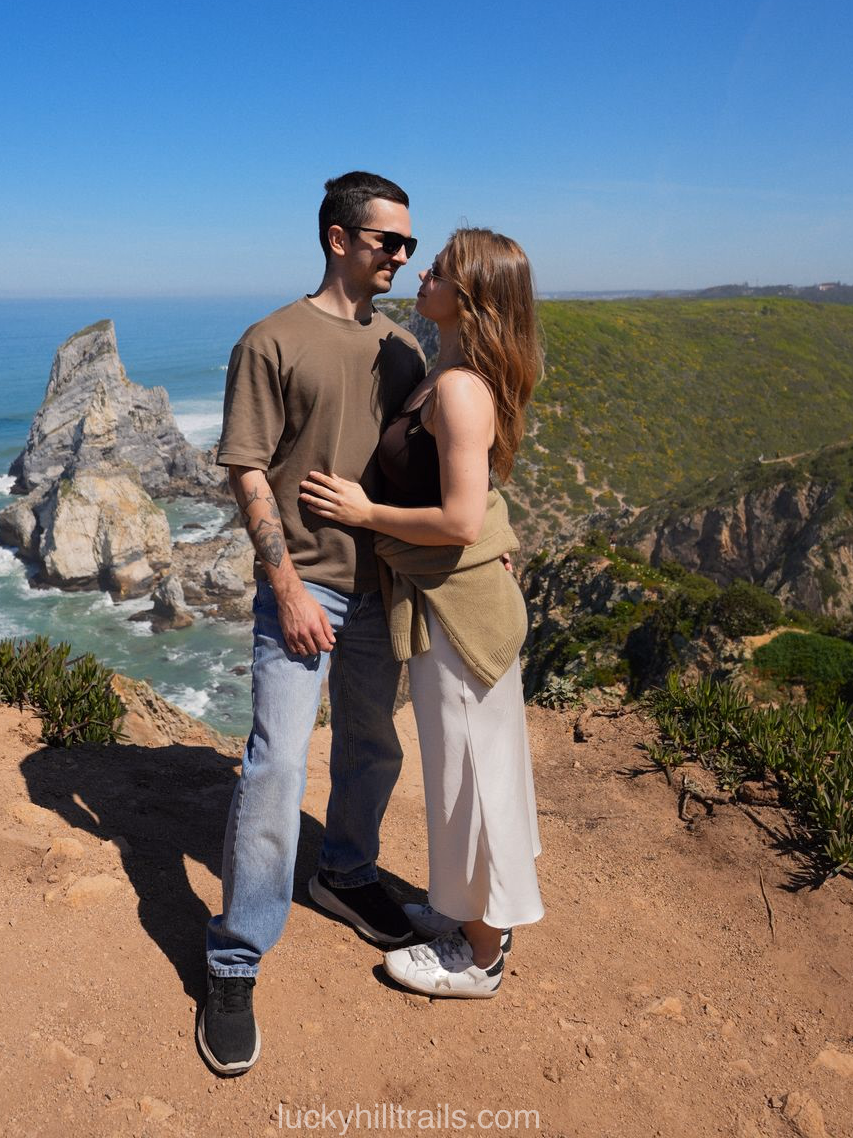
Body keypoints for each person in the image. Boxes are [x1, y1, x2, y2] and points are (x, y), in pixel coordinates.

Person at [199, 171, 426, 1076]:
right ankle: (233, 959)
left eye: (409, 244)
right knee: (278, 761)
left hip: (383, 588)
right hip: (308, 587)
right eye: (388, 242)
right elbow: (248, 469)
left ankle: (344, 871)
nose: (403, 256)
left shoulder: (404, 347)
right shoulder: (271, 340)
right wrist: (285, 585)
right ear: (340, 239)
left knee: (374, 748)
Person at [300, 227, 544, 999]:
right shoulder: (446, 370)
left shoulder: (460, 389)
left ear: (469, 296)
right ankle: (470, 915)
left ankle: (482, 955)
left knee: (473, 770)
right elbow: (481, 506)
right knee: (465, 766)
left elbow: (463, 519)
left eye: (440, 266)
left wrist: (365, 511)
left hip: (458, 609)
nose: (423, 270)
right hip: (447, 599)